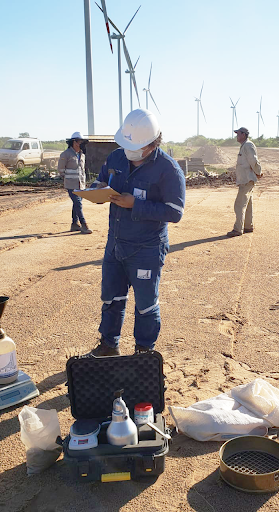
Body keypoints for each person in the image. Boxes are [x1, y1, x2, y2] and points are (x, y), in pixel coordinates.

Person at [89, 109, 186, 357]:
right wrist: (96, 190)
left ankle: (144, 353)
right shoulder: (116, 158)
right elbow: (99, 181)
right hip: (115, 245)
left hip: (146, 249)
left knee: (145, 305)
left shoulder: (168, 169)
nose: (129, 151)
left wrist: (136, 205)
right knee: (111, 299)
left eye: (136, 146)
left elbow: (175, 212)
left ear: (153, 143)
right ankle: (108, 345)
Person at [227, 127, 262, 237]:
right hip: (246, 179)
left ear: (244, 134)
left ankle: (238, 229)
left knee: (239, 204)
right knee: (248, 204)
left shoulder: (248, 145)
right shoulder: (245, 145)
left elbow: (253, 160)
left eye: (238, 133)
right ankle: (248, 226)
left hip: (247, 179)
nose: (237, 135)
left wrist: (258, 172)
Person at [58, 132, 92, 234]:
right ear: (74, 142)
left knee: (76, 204)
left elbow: (82, 170)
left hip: (80, 184)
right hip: (71, 185)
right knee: (78, 204)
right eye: (79, 141)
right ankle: (84, 225)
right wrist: (67, 178)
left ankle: (74, 224)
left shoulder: (82, 155)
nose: (80, 143)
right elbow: (61, 170)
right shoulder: (65, 154)